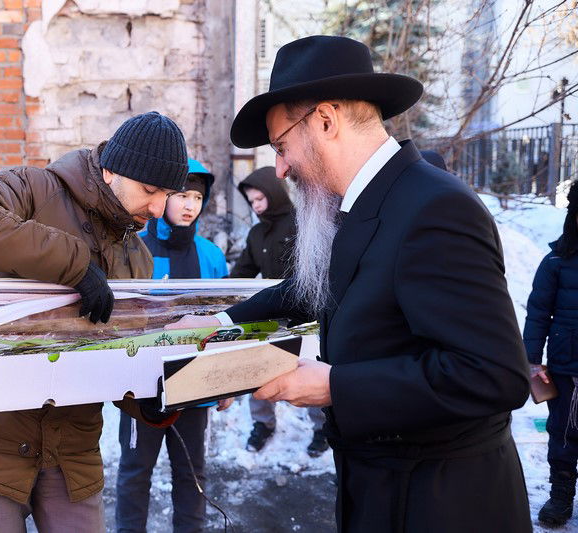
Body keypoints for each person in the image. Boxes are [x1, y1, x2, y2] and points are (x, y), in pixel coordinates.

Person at [169, 35, 531, 532]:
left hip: (442, 500)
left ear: (325, 120)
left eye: (281, 147)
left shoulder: (434, 207)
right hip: (379, 488)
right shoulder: (361, 202)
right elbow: (312, 288)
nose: (281, 168)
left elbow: (492, 375)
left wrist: (334, 385)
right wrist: (221, 322)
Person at [0, 111, 190, 533]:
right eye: (149, 190)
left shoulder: (138, 258)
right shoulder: (34, 188)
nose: (156, 208)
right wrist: (74, 264)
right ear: (110, 169)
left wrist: (149, 400)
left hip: (72, 449)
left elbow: (118, 354)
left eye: (167, 194)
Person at [116, 159, 226, 533]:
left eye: (197, 196)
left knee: (192, 476)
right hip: (142, 388)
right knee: (134, 475)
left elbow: (226, 318)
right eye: (181, 194)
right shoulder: (132, 249)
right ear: (163, 196)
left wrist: (226, 380)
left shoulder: (212, 256)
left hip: (196, 387)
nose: (189, 204)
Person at [230, 167, 327, 456]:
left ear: (273, 192)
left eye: (260, 198)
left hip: (306, 316)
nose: (256, 205)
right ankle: (263, 423)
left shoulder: (302, 224)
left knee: (310, 369)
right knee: (257, 370)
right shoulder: (256, 233)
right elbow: (242, 273)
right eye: (252, 201)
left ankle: (322, 426)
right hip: (267, 316)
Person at [524, 181, 578, 527]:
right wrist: (531, 359)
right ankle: (561, 496)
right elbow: (539, 313)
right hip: (567, 364)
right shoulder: (557, 260)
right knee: (563, 433)